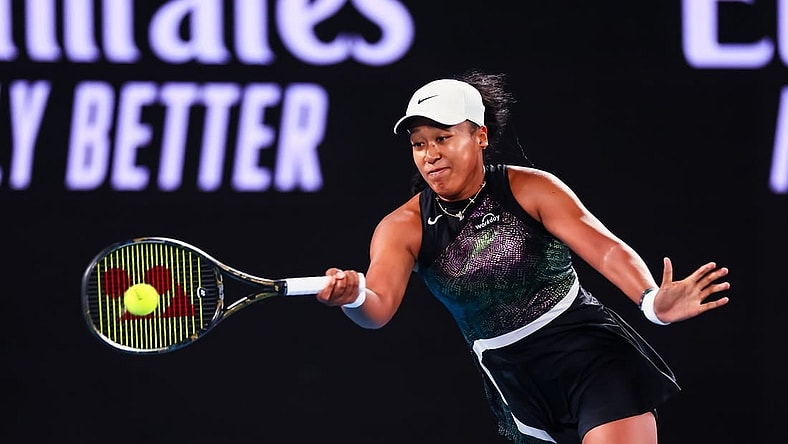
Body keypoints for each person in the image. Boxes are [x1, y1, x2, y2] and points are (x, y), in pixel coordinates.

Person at [315, 70, 731, 444]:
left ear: (479, 136)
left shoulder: (530, 189)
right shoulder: (402, 227)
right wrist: (353, 297)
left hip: (592, 358)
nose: (430, 154)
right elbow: (379, 306)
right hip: (513, 384)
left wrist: (650, 301)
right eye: (419, 144)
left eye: (443, 138)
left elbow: (604, 248)